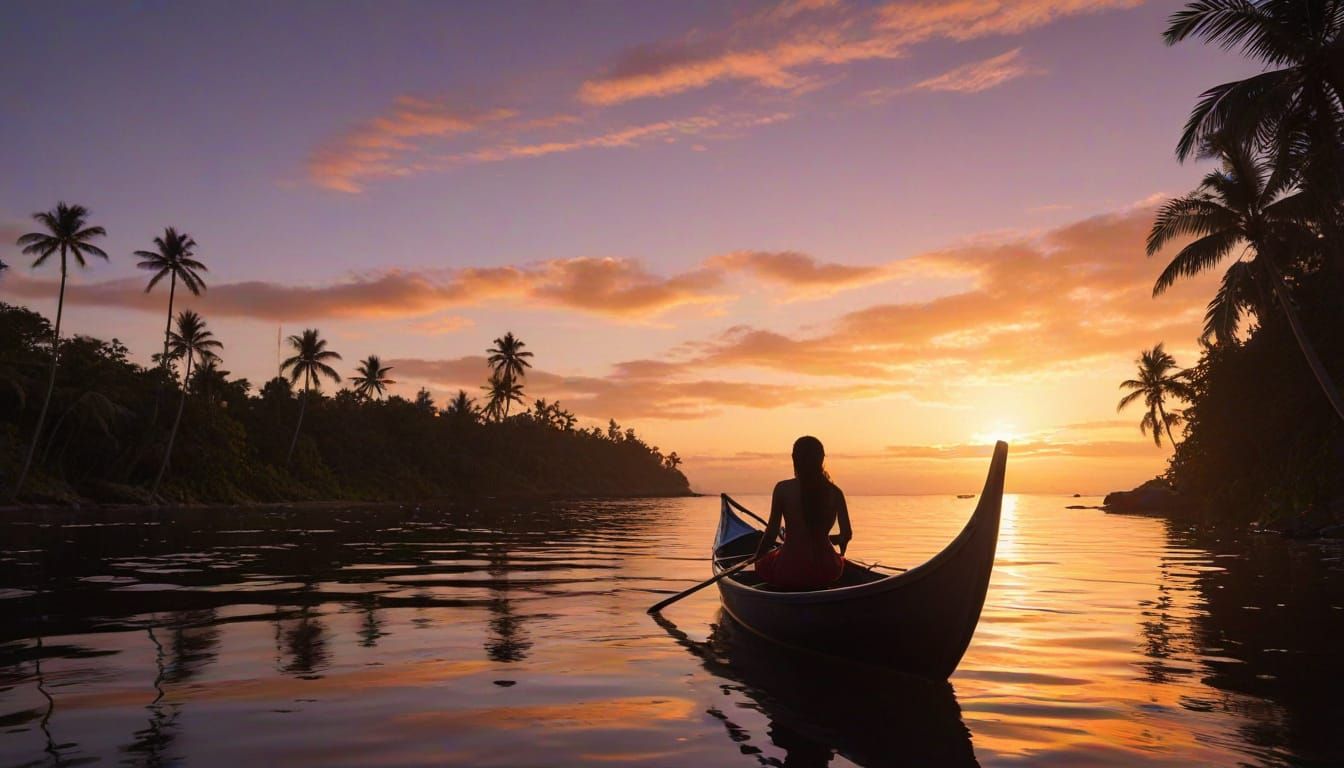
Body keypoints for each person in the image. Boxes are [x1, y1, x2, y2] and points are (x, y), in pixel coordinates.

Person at [753, 436, 852, 589]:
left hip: (789, 568)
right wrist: (834, 542)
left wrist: (757, 557)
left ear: (794, 459)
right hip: (827, 568)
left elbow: (771, 533)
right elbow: (846, 535)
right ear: (821, 459)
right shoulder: (835, 493)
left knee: (763, 564)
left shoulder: (783, 489)